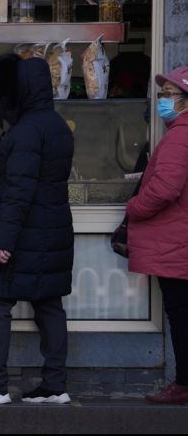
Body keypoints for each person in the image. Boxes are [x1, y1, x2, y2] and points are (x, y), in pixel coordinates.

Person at [0, 55, 74, 406]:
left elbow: (18, 193)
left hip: (23, 236)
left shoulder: (24, 132)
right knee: (49, 304)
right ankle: (55, 384)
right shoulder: (56, 125)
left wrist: (2, 243)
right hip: (52, 233)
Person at [127, 66, 188, 405]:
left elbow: (166, 189)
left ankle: (183, 384)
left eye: (169, 96)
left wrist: (134, 207)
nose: (163, 101)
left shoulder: (180, 135)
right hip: (180, 240)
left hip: (176, 244)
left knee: (180, 315)